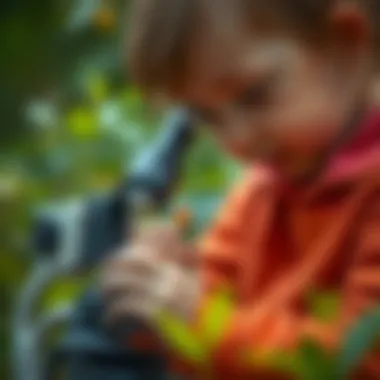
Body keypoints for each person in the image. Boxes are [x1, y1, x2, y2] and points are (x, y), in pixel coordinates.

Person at [102, 0, 380, 378]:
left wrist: (199, 319)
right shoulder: (259, 193)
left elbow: (358, 361)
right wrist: (156, 299)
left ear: (348, 39)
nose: (238, 140)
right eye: (207, 116)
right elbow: (207, 331)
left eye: (254, 96)